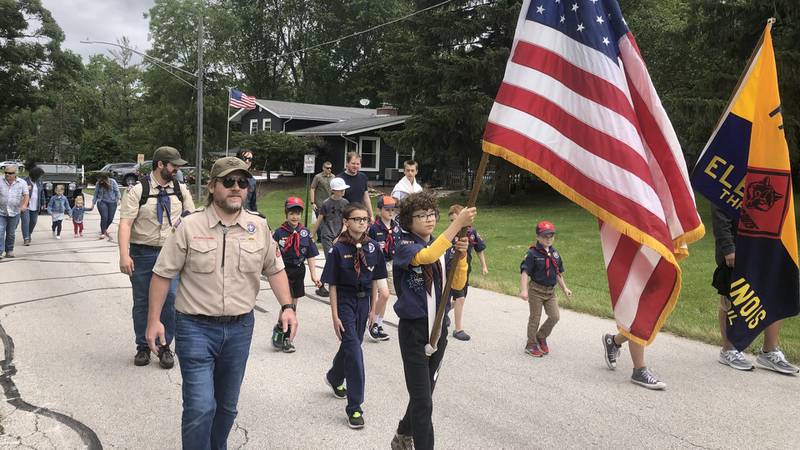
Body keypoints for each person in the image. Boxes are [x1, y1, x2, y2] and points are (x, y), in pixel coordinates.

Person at [145, 156, 297, 449]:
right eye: (228, 182)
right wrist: (154, 320)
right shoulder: (189, 227)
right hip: (195, 328)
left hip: (240, 329)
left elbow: (275, 268)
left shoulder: (258, 227)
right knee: (201, 407)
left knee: (227, 408)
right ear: (213, 187)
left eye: (242, 182)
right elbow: (162, 274)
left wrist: (287, 307)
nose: (236, 187)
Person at [391, 191, 475, 450]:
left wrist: (460, 259)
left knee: (424, 394)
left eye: (431, 215)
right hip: (414, 331)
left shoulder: (443, 250)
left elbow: (457, 285)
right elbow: (426, 256)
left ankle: (403, 433)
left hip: (439, 330)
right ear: (408, 220)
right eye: (421, 215)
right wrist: (457, 225)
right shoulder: (405, 245)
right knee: (424, 402)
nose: (428, 219)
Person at [118, 146, 195, 369]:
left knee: (170, 300)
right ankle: (143, 345)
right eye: (174, 165)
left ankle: (164, 346)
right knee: (142, 301)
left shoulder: (180, 189)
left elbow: (191, 218)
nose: (178, 169)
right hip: (143, 252)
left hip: (171, 252)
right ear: (161, 164)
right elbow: (125, 224)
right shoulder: (137, 190)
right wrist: (124, 255)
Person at [711, 205, 799, 373]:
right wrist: (728, 247)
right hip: (738, 245)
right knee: (732, 295)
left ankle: (769, 351)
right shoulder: (732, 177)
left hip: (768, 243)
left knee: (774, 293)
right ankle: (729, 349)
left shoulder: (775, 177)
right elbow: (719, 209)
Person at [322, 202, 387, 429]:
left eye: (365, 219)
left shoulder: (372, 247)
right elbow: (332, 286)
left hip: (363, 302)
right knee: (355, 351)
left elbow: (376, 280)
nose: (361, 223)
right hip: (345, 301)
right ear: (346, 222)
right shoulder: (338, 249)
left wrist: (372, 308)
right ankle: (355, 407)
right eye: (357, 219)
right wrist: (335, 315)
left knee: (352, 344)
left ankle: (334, 376)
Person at [271, 196, 320, 353]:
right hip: (284, 271)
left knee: (293, 306)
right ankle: (285, 337)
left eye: (298, 213)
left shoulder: (305, 233)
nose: (295, 217)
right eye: (292, 213)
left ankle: (281, 329)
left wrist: (314, 275)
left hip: (298, 271)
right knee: (288, 305)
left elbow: (310, 255)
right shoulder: (279, 233)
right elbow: (271, 254)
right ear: (286, 213)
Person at [519, 220, 571, 357]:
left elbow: (558, 273)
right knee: (535, 318)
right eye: (544, 236)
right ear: (538, 237)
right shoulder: (532, 253)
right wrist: (524, 290)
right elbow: (525, 272)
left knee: (555, 316)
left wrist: (565, 288)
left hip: (550, 292)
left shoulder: (555, 254)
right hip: (536, 290)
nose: (548, 239)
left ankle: (541, 336)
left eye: (551, 236)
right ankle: (530, 345)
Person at [446, 204, 488, 341]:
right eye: (451, 221)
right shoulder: (450, 234)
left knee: (460, 299)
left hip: (465, 270)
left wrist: (484, 266)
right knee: (460, 298)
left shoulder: (472, 233)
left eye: (456, 219)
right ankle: (458, 329)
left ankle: (443, 312)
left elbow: (479, 249)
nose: (454, 223)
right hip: (451, 270)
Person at [367, 195, 400, 341]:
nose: (391, 212)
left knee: (386, 297)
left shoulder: (397, 227)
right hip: (378, 265)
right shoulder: (374, 228)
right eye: (387, 210)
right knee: (383, 294)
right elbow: (369, 247)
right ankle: (372, 323)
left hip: (393, 264)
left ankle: (379, 324)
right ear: (379, 210)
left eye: (393, 209)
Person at [311, 177, 350, 297]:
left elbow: (346, 222)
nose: (343, 191)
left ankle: (338, 285)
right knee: (331, 261)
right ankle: (322, 285)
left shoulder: (345, 203)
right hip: (327, 235)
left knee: (339, 260)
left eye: (343, 189)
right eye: (340, 189)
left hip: (340, 235)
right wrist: (312, 234)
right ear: (333, 190)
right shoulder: (326, 203)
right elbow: (319, 219)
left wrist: (340, 236)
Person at [0, 164, 29, 259]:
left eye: (10, 173)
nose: (7, 175)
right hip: (1, 211)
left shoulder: (22, 183)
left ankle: (9, 251)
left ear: (15, 174)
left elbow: (26, 195)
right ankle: (0, 251)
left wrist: (24, 205)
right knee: (0, 231)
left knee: (11, 233)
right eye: (6, 173)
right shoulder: (0, 181)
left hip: (15, 212)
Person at [338, 152, 374, 220]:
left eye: (358, 164)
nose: (355, 166)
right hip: (344, 216)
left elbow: (366, 198)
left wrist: (371, 215)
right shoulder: (339, 179)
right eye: (353, 163)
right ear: (347, 163)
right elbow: (336, 201)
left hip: (359, 215)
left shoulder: (363, 177)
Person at [93, 173, 121, 241]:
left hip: (112, 202)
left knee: (110, 219)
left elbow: (117, 191)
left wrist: (118, 199)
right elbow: (95, 194)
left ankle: (104, 229)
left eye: (102, 180)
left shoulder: (112, 182)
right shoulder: (98, 184)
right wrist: (93, 203)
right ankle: (103, 233)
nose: (101, 182)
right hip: (102, 201)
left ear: (106, 179)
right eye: (100, 180)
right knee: (104, 217)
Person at [21, 166, 44, 246]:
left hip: (35, 205)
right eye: (40, 175)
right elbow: (17, 191)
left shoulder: (39, 182)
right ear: (35, 175)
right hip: (25, 205)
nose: (41, 177)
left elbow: (42, 193)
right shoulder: (24, 181)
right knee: (26, 222)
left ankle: (29, 233)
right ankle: (26, 238)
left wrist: (43, 203)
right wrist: (26, 188)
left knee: (33, 222)